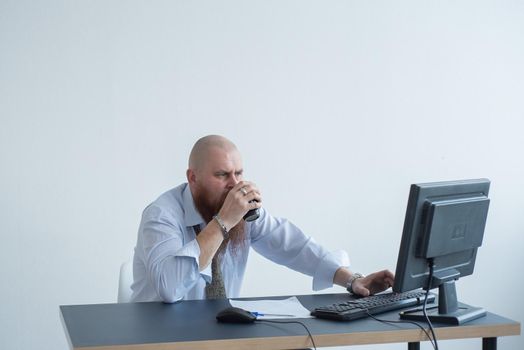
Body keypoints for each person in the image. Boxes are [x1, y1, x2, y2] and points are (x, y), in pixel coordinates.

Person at [130, 135, 394, 303]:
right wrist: (223, 222)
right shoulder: (161, 216)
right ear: (193, 177)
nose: (234, 184)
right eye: (222, 175)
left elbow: (294, 246)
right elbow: (170, 288)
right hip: (161, 339)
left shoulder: (243, 213)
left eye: (239, 173)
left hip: (220, 335)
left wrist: (351, 280)